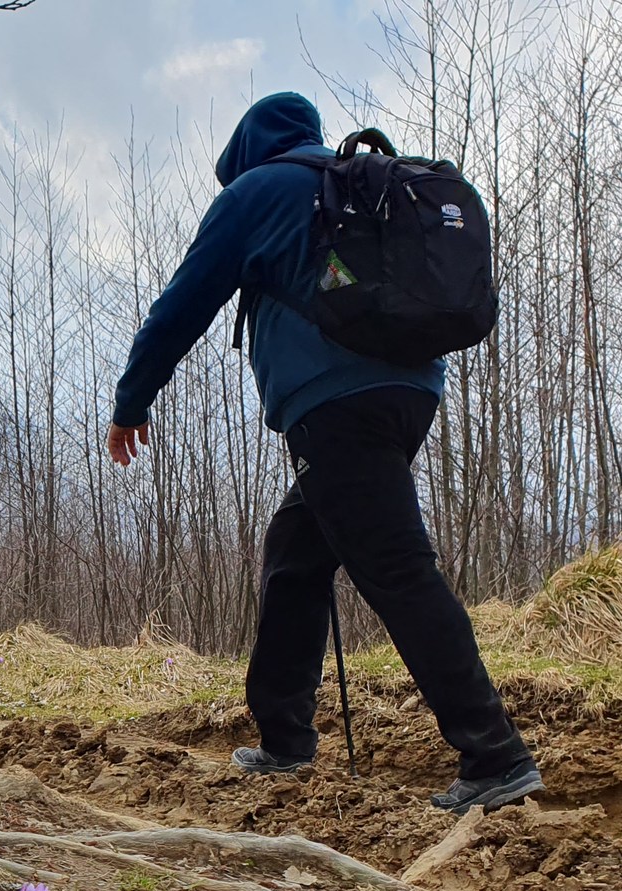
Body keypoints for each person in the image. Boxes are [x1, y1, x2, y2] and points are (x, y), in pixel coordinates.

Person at [104, 92, 541, 813]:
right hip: (409, 393)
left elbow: (183, 301)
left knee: (397, 569)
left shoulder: (258, 189)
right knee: (297, 554)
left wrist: (131, 402)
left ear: (245, 151)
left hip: (336, 404)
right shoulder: (362, 180)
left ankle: (494, 755)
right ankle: (284, 737)